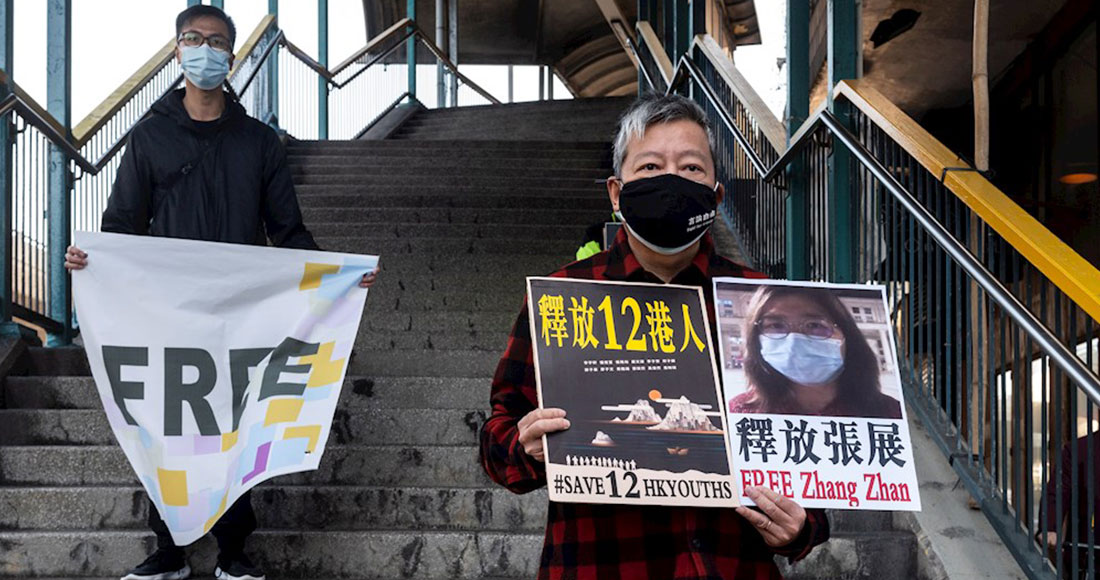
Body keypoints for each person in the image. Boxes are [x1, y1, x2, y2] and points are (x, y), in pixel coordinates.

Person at [63, 6, 377, 580]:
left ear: (230, 57)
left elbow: (288, 231)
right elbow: (121, 226)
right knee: (165, 425)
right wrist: (93, 262)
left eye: (216, 42)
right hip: (168, 314)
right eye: (193, 39)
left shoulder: (259, 142)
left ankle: (234, 549)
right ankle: (169, 548)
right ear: (176, 50)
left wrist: (340, 276)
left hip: (239, 317)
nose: (204, 49)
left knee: (236, 423)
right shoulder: (151, 138)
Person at [479, 93, 829, 579]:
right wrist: (526, 447)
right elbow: (498, 440)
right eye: (649, 167)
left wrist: (802, 528)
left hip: (731, 566)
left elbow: (815, 446)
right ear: (616, 193)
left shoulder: (763, 306)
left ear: (716, 196)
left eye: (690, 168)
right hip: (601, 565)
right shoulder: (564, 299)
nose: (670, 181)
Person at [727, 285, 902, 419]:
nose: (794, 341)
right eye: (776, 326)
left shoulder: (889, 412)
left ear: (847, 335)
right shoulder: (741, 411)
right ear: (754, 338)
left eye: (814, 325)